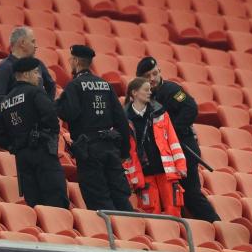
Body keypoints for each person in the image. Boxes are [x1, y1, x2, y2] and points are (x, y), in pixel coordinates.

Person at [137, 57, 220, 223]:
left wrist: (170, 131)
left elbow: (190, 107)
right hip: (163, 156)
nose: (152, 79)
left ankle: (217, 225)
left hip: (183, 148)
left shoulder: (171, 89)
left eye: (154, 74)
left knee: (191, 195)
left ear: (160, 72)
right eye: (147, 76)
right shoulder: (142, 97)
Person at [57, 45, 133, 212]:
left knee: (98, 199)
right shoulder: (105, 85)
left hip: (90, 150)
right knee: (120, 196)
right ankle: (130, 233)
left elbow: (69, 113)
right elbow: (121, 119)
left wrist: (57, 103)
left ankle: (113, 235)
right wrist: (124, 152)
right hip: (110, 148)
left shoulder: (75, 86)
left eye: (71, 59)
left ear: (76, 61)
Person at [0, 57, 68, 208]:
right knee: (56, 200)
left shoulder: (6, 101)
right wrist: (48, 138)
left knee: (35, 203)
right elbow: (51, 116)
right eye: (35, 73)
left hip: (22, 158)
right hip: (42, 153)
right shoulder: (35, 92)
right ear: (25, 75)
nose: (38, 76)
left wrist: (14, 146)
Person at [122, 77, 187, 216]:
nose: (149, 92)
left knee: (174, 209)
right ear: (134, 93)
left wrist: (181, 166)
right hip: (144, 174)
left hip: (165, 170)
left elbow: (173, 141)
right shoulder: (123, 119)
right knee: (151, 212)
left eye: (150, 89)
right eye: (146, 90)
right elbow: (125, 153)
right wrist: (129, 178)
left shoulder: (160, 113)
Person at [0, 26, 55, 106]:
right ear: (22, 43)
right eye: (32, 42)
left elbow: (51, 86)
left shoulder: (38, 64)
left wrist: (46, 105)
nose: (35, 46)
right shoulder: (4, 67)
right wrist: (22, 105)